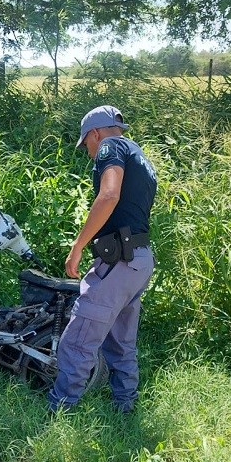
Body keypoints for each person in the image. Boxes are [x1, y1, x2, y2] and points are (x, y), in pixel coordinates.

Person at [48, 105, 156, 414]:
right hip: (140, 258)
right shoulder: (140, 156)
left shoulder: (111, 146)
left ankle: (59, 412)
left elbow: (109, 195)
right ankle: (125, 408)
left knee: (79, 339)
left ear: (95, 134)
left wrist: (78, 245)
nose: (88, 153)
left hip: (119, 260)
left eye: (86, 145)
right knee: (120, 342)